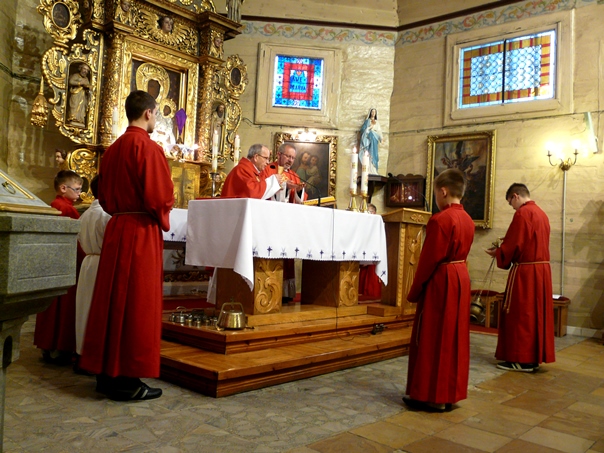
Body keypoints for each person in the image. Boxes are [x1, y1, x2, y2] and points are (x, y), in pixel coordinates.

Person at [79, 90, 174, 401]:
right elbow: (160, 197)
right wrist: (164, 210)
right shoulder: (148, 147)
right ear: (148, 113)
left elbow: (104, 198)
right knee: (137, 302)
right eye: (155, 113)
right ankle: (127, 380)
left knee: (111, 302)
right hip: (140, 231)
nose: (155, 118)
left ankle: (106, 374)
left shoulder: (112, 151)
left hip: (117, 228)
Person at [403, 168, 475, 412]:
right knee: (453, 337)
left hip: (441, 280)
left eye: (435, 193)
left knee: (433, 336)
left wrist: (414, 291)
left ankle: (430, 395)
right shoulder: (468, 219)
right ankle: (449, 393)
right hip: (460, 277)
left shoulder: (440, 219)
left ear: (443, 191)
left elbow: (428, 260)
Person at [485, 183, 555, 372]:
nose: (512, 208)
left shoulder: (523, 213)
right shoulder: (541, 213)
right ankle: (532, 357)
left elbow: (514, 245)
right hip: (541, 272)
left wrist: (499, 252)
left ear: (515, 196)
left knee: (520, 315)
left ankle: (521, 359)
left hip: (526, 273)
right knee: (534, 315)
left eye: (511, 203)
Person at [34, 170, 84, 366]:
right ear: (64, 188)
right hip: (67, 263)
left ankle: (48, 345)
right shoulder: (66, 208)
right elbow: (74, 241)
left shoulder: (54, 205)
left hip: (54, 262)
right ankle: (60, 347)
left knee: (52, 307)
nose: (80, 193)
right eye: (77, 189)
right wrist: (85, 258)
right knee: (63, 307)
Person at [259, 144, 307, 302]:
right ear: (279, 155)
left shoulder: (294, 175)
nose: (290, 160)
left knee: (286, 256)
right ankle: (267, 288)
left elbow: (300, 201)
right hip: (269, 220)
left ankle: (285, 293)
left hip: (286, 223)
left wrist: (298, 190)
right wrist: (286, 186)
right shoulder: (268, 169)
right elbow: (261, 190)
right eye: (287, 156)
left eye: (293, 158)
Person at [74, 176, 111, 358]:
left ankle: (82, 351)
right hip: (103, 264)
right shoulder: (107, 215)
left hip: (88, 263)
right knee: (96, 311)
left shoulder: (86, 214)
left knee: (84, 309)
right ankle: (94, 354)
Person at [221, 144, 287, 199]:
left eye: (268, 159)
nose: (268, 162)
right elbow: (252, 193)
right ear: (256, 157)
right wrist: (273, 180)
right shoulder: (242, 170)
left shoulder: (257, 172)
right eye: (266, 158)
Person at [358, 204, 381, 300]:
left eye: (368, 212)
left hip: (372, 264)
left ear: (374, 213)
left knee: (371, 292)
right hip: (362, 263)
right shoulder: (361, 226)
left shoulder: (378, 226)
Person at [67, 63, 91, 127]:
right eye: (84, 69)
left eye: (87, 70)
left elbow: (87, 86)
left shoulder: (86, 79)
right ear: (81, 69)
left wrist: (88, 88)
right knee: (74, 105)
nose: (85, 71)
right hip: (75, 94)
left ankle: (80, 120)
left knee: (82, 108)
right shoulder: (76, 75)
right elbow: (71, 81)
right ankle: (73, 118)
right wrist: (80, 83)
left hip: (83, 95)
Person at [359, 108, 382, 174]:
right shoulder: (367, 121)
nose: (373, 113)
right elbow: (362, 130)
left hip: (375, 140)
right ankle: (368, 169)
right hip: (369, 140)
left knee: (374, 154)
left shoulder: (377, 122)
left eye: (374, 112)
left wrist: (381, 138)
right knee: (368, 153)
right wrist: (369, 128)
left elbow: (379, 131)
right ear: (370, 113)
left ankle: (374, 170)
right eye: (372, 112)